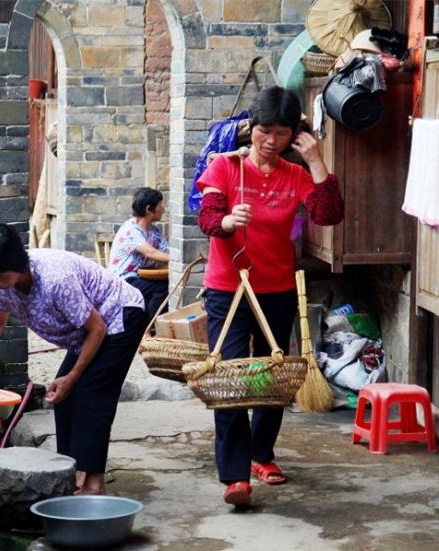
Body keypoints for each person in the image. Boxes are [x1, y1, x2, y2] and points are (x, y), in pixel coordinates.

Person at [196, 86, 344, 507]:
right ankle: (234, 475)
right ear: (252, 128)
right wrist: (226, 220)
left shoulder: (296, 175)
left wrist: (316, 160)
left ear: (292, 135)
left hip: (276, 288)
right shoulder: (225, 167)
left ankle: (262, 454)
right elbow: (206, 218)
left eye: (281, 133)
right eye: (264, 131)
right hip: (229, 288)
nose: (270, 141)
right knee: (229, 380)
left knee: (271, 378)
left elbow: (328, 214)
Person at [0, 224, 147, 495]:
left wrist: (73, 377)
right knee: (64, 396)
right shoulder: (4, 283)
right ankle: (67, 476)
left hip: (119, 315)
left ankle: (93, 484)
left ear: (18, 265)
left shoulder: (55, 279)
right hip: (88, 331)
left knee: (90, 394)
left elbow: (97, 329)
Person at [108, 187, 171, 318]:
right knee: (162, 288)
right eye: (160, 205)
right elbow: (150, 252)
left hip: (141, 277)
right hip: (124, 279)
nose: (163, 209)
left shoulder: (154, 232)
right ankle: (152, 328)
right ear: (149, 209)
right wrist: (178, 260)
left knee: (168, 284)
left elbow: (166, 254)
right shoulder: (130, 230)